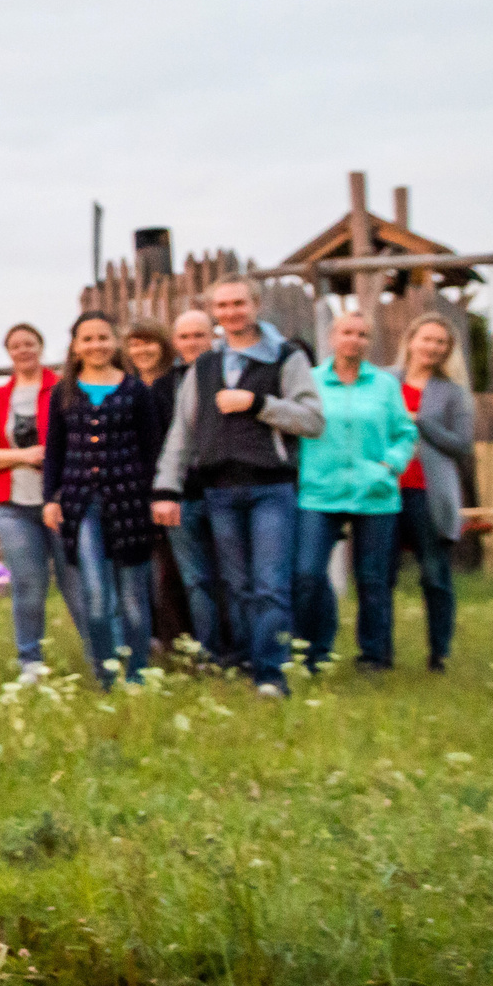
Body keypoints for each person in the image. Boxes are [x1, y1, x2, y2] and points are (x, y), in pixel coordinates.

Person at [153, 278, 324, 695]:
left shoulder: (285, 357)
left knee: (269, 584)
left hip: (271, 488)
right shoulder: (205, 366)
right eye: (223, 305)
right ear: (214, 312)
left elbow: (313, 420)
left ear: (256, 305)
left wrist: (258, 404)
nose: (231, 312)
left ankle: (271, 674)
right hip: (220, 490)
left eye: (239, 303)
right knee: (237, 586)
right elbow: (183, 433)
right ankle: (249, 661)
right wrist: (166, 489)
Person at [42, 312, 165, 687]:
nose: (96, 346)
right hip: (82, 506)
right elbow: (55, 452)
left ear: (115, 343)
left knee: (132, 598)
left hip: (130, 504)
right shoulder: (64, 392)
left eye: (103, 338)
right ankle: (106, 675)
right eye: (88, 339)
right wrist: (51, 498)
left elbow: (152, 448)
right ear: (76, 346)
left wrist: (155, 495)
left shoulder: (135, 391)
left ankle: (138, 675)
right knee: (96, 596)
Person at [293, 310, 418, 673]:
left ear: (369, 342)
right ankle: (311, 652)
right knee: (307, 574)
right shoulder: (309, 381)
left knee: (374, 580)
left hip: (374, 494)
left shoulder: (385, 385)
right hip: (319, 492)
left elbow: (405, 433)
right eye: (347, 332)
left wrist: (390, 465)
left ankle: (374, 657)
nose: (354, 340)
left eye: (362, 334)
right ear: (332, 338)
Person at [0, 322, 90, 672]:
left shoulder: (65, 390)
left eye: (29, 344)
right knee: (28, 582)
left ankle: (100, 655)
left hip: (62, 502)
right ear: (9, 353)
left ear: (41, 347)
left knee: (76, 581)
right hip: (14, 507)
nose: (23, 350)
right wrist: (24, 456)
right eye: (16, 346)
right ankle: (30, 661)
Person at [393, 313, 475, 672]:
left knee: (434, 575)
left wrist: (422, 422)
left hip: (427, 493)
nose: (433, 347)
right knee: (379, 575)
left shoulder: (453, 393)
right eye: (427, 339)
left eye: (441, 343)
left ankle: (438, 653)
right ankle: (376, 654)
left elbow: (461, 445)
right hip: (383, 492)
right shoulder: (383, 382)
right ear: (411, 340)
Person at [158, 309, 230, 664]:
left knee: (234, 576)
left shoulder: (228, 374)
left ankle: (239, 650)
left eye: (199, 335)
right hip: (182, 498)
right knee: (195, 580)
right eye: (184, 337)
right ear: (175, 342)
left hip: (225, 490)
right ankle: (209, 653)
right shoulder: (163, 386)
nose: (192, 343)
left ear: (212, 337)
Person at [122, 317, 192, 654]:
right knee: (140, 569)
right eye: (134, 343)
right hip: (132, 491)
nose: (141, 350)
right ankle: (148, 639)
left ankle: (179, 639)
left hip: (170, 488)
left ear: (163, 345)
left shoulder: (174, 386)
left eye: (148, 342)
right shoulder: (125, 386)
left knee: (175, 568)